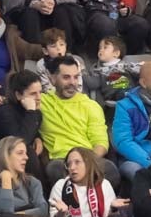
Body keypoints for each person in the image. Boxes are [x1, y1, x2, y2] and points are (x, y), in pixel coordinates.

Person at [40, 56, 120, 184]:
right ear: (52, 78)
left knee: (110, 170)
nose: (73, 82)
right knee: (55, 169)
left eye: (76, 77)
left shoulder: (91, 105)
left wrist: (85, 163)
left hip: (88, 158)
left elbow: (100, 142)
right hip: (61, 160)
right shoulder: (41, 102)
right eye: (66, 77)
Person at [48, 146, 125, 217]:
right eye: (68, 164)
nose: (72, 168)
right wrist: (61, 213)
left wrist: (113, 209)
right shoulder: (61, 185)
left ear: (88, 164)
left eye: (77, 162)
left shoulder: (103, 185)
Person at [0, 137, 51, 217]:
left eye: (26, 153)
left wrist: (18, 215)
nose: (26, 157)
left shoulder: (32, 182)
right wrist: (6, 182)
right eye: (20, 153)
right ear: (5, 156)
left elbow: (43, 210)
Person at [0, 73, 48, 184]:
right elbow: (20, 140)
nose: (39, 97)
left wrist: (38, 138)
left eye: (40, 92)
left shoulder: (35, 113)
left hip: (17, 156)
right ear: (19, 95)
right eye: (33, 94)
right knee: (27, 152)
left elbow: (29, 131)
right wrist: (31, 112)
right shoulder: (5, 112)